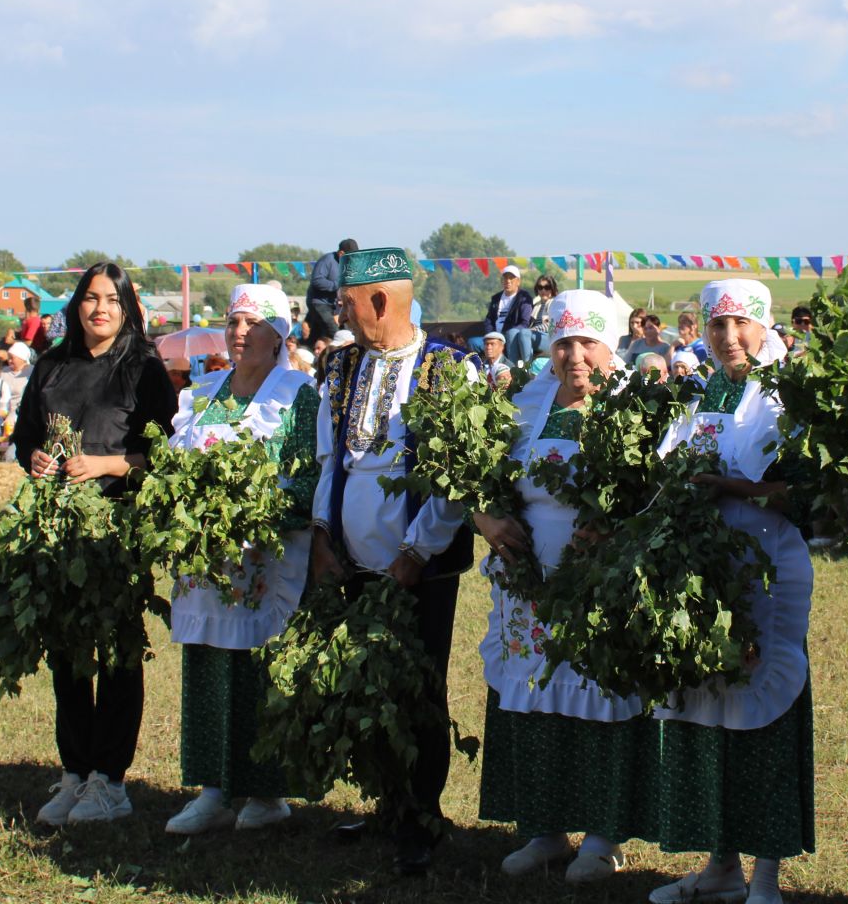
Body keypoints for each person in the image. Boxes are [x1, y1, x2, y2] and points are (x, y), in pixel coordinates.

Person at [473, 290, 655, 884]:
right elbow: (484, 476)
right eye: (564, 344)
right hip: (529, 580)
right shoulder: (526, 405)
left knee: (601, 693)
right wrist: (486, 518)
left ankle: (603, 837)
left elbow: (662, 494)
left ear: (610, 347)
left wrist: (613, 528)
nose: (575, 356)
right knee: (533, 693)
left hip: (602, 580)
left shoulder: (640, 407)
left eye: (588, 343)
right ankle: (543, 828)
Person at [309, 248, 474, 875]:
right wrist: (324, 536)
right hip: (353, 565)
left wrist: (416, 551)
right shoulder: (344, 365)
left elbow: (455, 478)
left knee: (418, 692)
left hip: (419, 568)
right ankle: (387, 804)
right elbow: (333, 461)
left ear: (380, 301)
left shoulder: (446, 368)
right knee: (367, 685)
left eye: (346, 303)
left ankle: (421, 819)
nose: (338, 314)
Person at [649, 279, 812, 904]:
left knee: (763, 705)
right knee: (710, 708)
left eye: (741, 324)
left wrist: (731, 489)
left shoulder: (785, 394)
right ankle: (720, 864)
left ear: (764, 327)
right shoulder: (703, 390)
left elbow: (807, 493)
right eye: (718, 326)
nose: (729, 337)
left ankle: (766, 873)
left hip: (767, 569)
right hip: (705, 574)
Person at [12, 262, 176, 827]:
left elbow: (163, 453)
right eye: (90, 298)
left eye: (111, 299)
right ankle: (74, 774)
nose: (99, 309)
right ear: (75, 305)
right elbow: (25, 436)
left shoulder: (144, 368)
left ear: (127, 306)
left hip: (118, 526)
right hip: (60, 529)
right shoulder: (52, 365)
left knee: (117, 653)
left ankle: (111, 780)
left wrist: (106, 463)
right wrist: (33, 457)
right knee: (68, 652)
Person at [162, 285, 320, 838]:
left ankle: (266, 789)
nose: (240, 333)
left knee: (258, 670)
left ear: (279, 335)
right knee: (209, 665)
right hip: (206, 569)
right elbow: (174, 470)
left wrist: (258, 517)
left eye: (253, 324)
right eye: (233, 322)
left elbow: (310, 480)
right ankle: (212, 787)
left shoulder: (299, 396)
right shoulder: (203, 393)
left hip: (263, 561)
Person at [305, 238, 356, 342]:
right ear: (341, 253)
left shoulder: (347, 265)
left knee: (318, 334)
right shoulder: (327, 260)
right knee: (334, 331)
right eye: (350, 256)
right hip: (320, 303)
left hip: (334, 305)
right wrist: (337, 285)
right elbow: (317, 280)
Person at [479, 265, 535, 358]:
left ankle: (512, 369)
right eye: (505, 278)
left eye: (511, 278)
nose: (508, 281)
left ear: (518, 281)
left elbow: (525, 322)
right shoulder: (496, 298)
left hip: (510, 336)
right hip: (494, 335)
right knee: (472, 342)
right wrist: (492, 335)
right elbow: (488, 320)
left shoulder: (524, 298)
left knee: (511, 334)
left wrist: (505, 335)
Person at [515, 275, 558, 367]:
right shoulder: (536, 306)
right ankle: (514, 367)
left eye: (547, 287)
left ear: (552, 289)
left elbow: (551, 325)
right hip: (534, 336)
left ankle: (526, 367)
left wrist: (533, 330)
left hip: (550, 338)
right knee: (517, 334)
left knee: (525, 333)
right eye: (540, 287)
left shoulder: (555, 303)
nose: (543, 291)